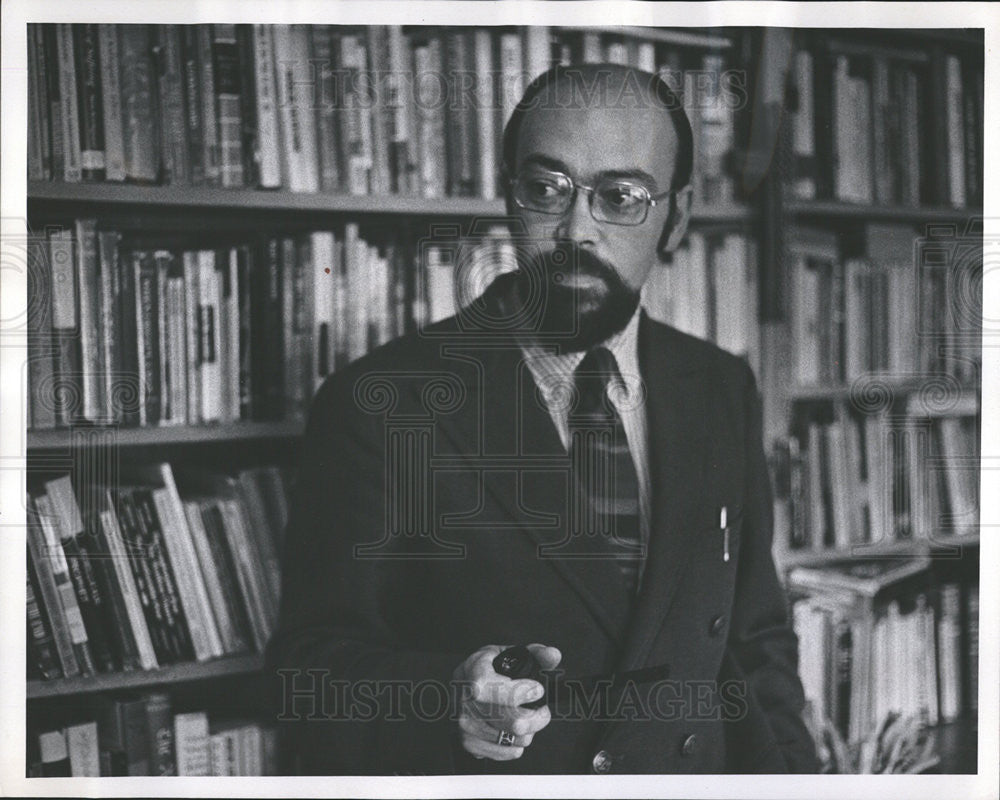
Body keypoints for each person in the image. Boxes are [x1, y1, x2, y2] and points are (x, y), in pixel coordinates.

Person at [266, 63, 818, 775]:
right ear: (509, 196)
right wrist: (446, 702)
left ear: (676, 218)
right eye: (547, 188)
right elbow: (308, 669)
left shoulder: (719, 387)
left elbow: (755, 638)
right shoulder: (382, 402)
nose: (575, 230)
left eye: (621, 196)